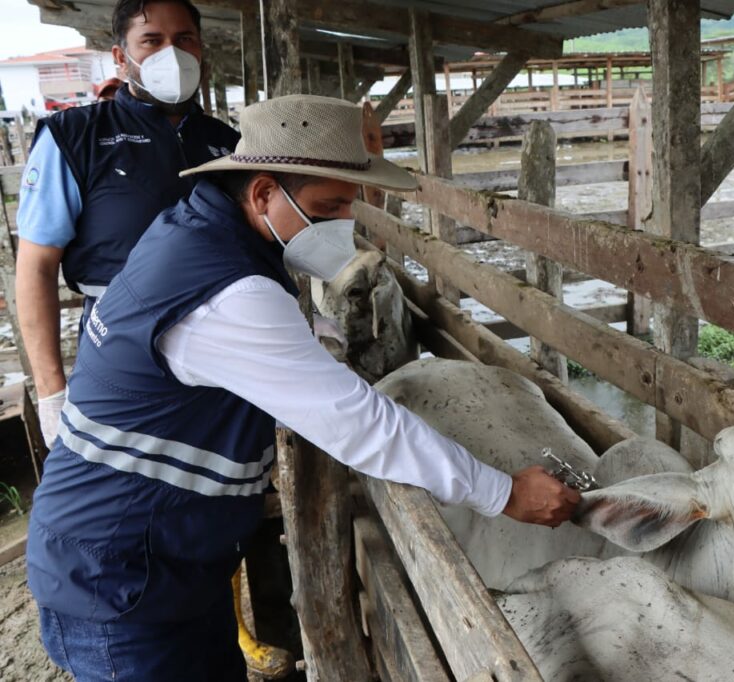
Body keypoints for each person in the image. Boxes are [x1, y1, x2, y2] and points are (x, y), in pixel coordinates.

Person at [27, 94, 582, 681]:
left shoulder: (200, 230)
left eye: (349, 207)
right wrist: (502, 492)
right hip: (118, 581)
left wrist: (308, 333)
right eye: (328, 207)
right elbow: (359, 424)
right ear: (264, 192)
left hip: (158, 563)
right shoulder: (230, 289)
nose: (343, 225)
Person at [15, 0, 239, 449]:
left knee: (228, 482)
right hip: (121, 349)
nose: (171, 54)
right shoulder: (75, 136)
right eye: (152, 41)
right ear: (121, 56)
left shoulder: (227, 143)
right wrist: (52, 391)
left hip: (228, 351)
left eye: (184, 40)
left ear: (201, 50)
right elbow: (36, 267)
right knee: (126, 488)